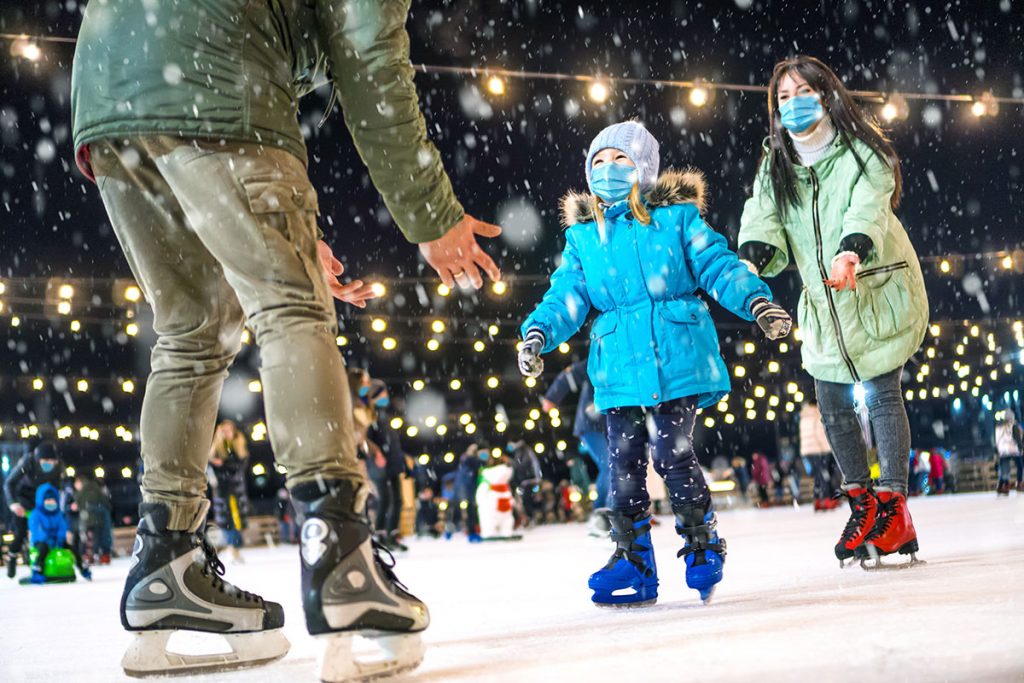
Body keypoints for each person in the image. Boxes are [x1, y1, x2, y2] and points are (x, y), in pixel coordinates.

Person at [72, 1, 504, 676]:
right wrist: (430, 211)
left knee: (190, 331)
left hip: (111, 88)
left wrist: (286, 234)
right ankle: (340, 555)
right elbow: (369, 58)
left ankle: (167, 560)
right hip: (210, 77)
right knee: (291, 310)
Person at [518, 121, 792, 607]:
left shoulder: (678, 219)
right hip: (619, 367)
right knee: (622, 465)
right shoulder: (585, 236)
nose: (607, 171)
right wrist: (538, 332)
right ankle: (634, 560)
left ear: (643, 168)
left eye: (619, 161)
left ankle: (703, 544)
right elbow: (567, 295)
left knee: (670, 454)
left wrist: (756, 302)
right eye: (597, 163)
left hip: (677, 357)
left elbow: (719, 266)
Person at [738, 56, 929, 569]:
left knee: (883, 395)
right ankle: (862, 505)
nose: (792, 104)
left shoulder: (860, 150)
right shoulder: (776, 164)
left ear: (826, 95)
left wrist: (852, 250)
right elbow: (762, 214)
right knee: (832, 401)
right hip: (823, 303)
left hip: (871, 285)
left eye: (803, 91)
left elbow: (869, 202)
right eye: (782, 97)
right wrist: (750, 258)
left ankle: (893, 506)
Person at [542, 361, 610, 528]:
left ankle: (627, 509)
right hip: (591, 424)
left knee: (624, 464)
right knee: (610, 465)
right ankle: (600, 512)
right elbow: (570, 373)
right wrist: (552, 397)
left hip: (612, 423)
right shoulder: (602, 358)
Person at [4, 442, 63, 579]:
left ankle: (43, 563)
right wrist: (14, 504)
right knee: (20, 532)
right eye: (45, 461)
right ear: (38, 459)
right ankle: (12, 557)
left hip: (43, 501)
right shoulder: (28, 462)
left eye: (51, 461)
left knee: (47, 533)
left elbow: (57, 489)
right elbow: (9, 483)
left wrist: (56, 506)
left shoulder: (58, 466)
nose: (48, 463)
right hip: (23, 498)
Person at [365, 379, 409, 551]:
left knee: (397, 500)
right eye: (382, 394)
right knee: (385, 500)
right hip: (381, 466)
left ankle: (391, 534)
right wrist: (376, 453)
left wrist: (400, 461)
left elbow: (392, 441)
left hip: (392, 464)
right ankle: (381, 535)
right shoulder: (370, 415)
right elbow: (366, 440)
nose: (386, 397)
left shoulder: (384, 415)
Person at [28, 483, 91, 584]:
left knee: (72, 548)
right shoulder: (36, 514)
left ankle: (82, 567)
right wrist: (45, 538)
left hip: (57, 539)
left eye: (52, 500)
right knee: (43, 549)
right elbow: (36, 529)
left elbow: (62, 527)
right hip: (41, 540)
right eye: (48, 500)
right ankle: (37, 570)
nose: (50, 503)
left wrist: (60, 538)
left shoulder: (58, 514)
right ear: (42, 501)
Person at [208, 421, 251, 564]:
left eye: (229, 430)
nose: (226, 433)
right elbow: (212, 468)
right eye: (223, 430)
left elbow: (238, 467)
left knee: (237, 521)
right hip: (222, 491)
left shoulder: (238, 447)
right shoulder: (216, 449)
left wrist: (224, 465)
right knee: (227, 522)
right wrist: (222, 467)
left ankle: (235, 548)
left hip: (236, 491)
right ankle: (232, 549)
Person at [800, 400, 841, 511]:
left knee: (818, 476)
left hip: (807, 451)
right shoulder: (816, 415)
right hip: (819, 450)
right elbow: (820, 434)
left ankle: (817, 500)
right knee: (825, 476)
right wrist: (828, 449)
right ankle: (827, 499)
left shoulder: (804, 416)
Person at [73, 474, 114, 564]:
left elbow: (77, 504)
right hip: (100, 519)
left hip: (87, 519)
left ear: (80, 482)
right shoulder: (96, 488)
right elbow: (106, 502)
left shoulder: (82, 492)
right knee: (99, 537)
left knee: (88, 539)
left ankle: (90, 556)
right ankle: (102, 555)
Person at [995, 413, 1024, 495]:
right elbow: (1017, 437)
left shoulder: (999, 427)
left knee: (1004, 469)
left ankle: (1003, 485)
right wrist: (1021, 447)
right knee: (1020, 466)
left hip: (1003, 450)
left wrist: (997, 450)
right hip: (1013, 449)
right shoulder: (1013, 426)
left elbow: (996, 439)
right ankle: (1019, 483)